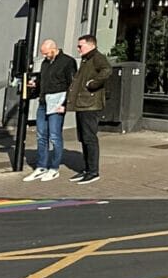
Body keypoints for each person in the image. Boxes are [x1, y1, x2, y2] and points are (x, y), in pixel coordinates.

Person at [66, 34, 112, 183]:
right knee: (84, 138)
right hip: (83, 104)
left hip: (90, 105)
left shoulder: (97, 57)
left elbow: (107, 70)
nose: (78, 49)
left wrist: (93, 84)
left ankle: (93, 171)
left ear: (91, 45)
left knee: (89, 138)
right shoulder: (86, 60)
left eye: (81, 46)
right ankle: (87, 169)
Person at [27, 38, 74, 181]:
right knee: (41, 135)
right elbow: (42, 81)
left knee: (54, 135)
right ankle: (41, 166)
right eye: (43, 54)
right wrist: (34, 86)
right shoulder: (45, 63)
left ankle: (54, 168)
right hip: (43, 101)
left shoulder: (67, 62)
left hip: (57, 102)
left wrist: (66, 104)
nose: (45, 56)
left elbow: (72, 84)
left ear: (53, 49)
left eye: (47, 53)